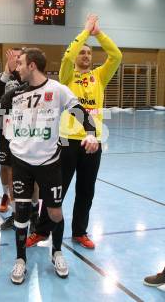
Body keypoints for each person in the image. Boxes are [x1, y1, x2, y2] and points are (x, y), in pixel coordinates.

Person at [2, 48, 99, 284]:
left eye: (21, 63)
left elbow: (81, 113)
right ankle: (20, 259)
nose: (18, 68)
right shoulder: (16, 93)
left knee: (54, 211)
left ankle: (57, 252)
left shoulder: (57, 90)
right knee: (21, 211)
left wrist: (91, 133)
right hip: (21, 160)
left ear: (33, 65)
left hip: (49, 161)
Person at [27, 14, 122, 250]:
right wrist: (84, 32)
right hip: (67, 141)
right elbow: (68, 55)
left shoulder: (99, 76)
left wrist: (98, 33)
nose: (86, 55)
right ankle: (41, 231)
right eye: (83, 52)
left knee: (86, 191)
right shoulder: (67, 76)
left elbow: (117, 56)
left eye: (89, 53)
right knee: (57, 190)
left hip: (92, 142)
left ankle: (80, 232)